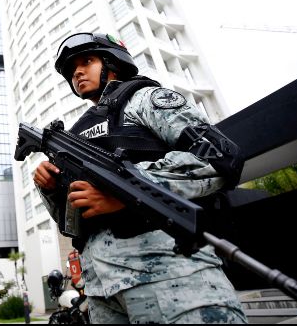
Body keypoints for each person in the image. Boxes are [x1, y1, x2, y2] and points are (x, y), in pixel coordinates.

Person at [32, 32, 248, 324]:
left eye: (87, 61)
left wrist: (122, 193)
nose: (77, 72)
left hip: (171, 275)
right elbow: (69, 220)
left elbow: (217, 157)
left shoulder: (144, 100)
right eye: (71, 70)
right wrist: (50, 188)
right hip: (100, 291)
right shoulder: (77, 133)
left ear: (112, 62)